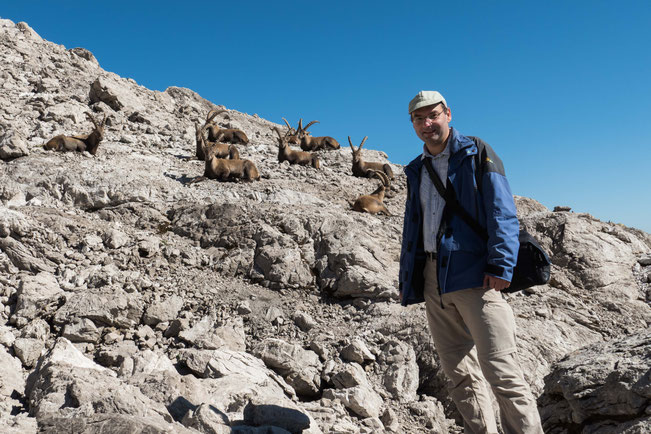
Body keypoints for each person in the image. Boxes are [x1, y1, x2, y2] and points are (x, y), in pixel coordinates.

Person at [398, 90, 544, 433]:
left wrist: (500, 265)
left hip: (478, 277)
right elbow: (414, 226)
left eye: (433, 115)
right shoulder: (417, 169)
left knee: (501, 372)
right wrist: (412, 278)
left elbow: (502, 212)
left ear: (448, 114)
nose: (427, 124)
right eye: (419, 119)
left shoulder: (476, 152)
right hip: (434, 280)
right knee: (460, 374)